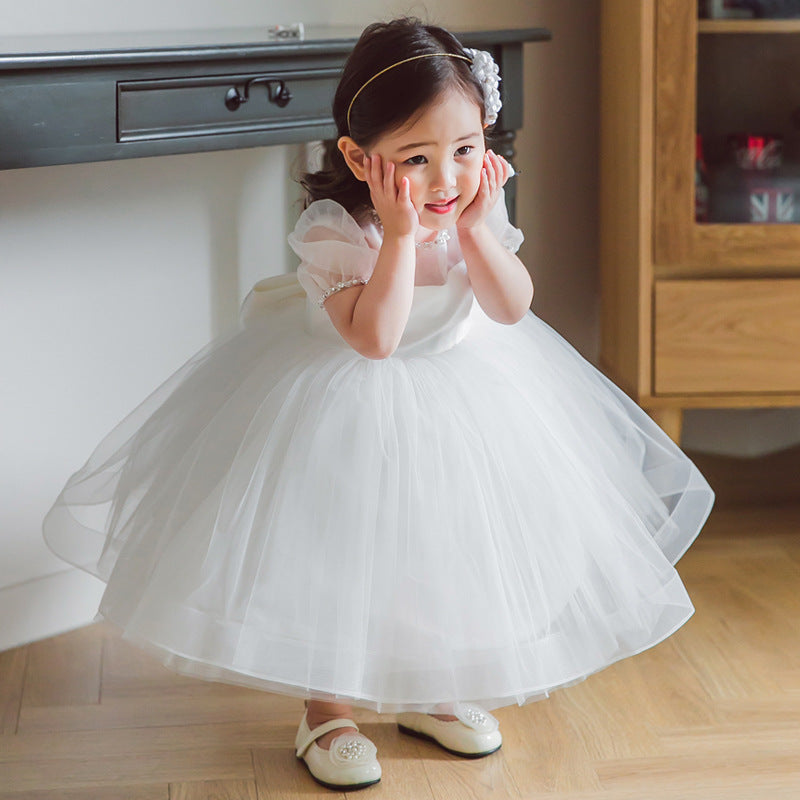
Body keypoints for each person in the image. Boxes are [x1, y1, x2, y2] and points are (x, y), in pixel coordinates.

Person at [42, 17, 714, 793]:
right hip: (351, 408)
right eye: (416, 160)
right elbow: (375, 338)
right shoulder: (338, 231)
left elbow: (511, 307)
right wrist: (398, 238)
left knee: (449, 545)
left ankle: (432, 687)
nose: (446, 180)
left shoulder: (471, 211)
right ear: (361, 158)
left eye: (464, 152)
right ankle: (326, 708)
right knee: (338, 553)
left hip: (471, 402)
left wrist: (480, 232)